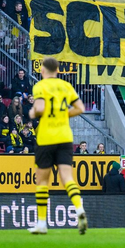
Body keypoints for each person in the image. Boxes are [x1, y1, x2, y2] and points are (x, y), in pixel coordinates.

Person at [28, 57, 87, 235]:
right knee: (67, 178)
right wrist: (63, 115)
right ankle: (79, 209)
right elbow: (80, 108)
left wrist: (32, 112)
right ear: (58, 70)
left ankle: (42, 223)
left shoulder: (40, 86)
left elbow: (39, 108)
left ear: (43, 71)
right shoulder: (65, 86)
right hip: (65, 137)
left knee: (42, 181)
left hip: (46, 138)